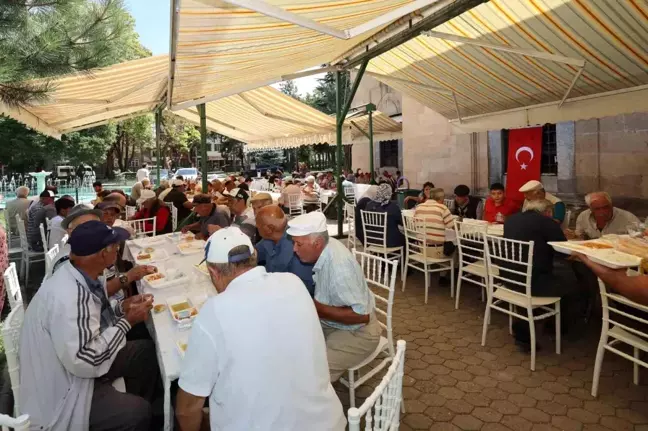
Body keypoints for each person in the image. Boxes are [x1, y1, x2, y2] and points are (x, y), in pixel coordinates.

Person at [177, 229, 345, 431]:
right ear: (254, 257)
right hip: (327, 423)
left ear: (213, 272)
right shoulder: (294, 283)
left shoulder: (214, 311)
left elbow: (187, 408)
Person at [20, 221, 159, 430]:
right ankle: (131, 414)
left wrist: (122, 308)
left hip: (73, 368)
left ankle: (126, 402)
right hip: (66, 391)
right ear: (104, 253)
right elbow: (87, 360)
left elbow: (90, 320)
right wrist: (127, 321)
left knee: (145, 353)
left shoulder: (77, 274)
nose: (118, 249)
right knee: (138, 412)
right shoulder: (69, 296)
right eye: (115, 246)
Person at [288, 212, 381, 381]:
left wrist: (317, 308)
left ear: (317, 243)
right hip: (336, 325)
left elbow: (362, 316)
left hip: (359, 333)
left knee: (313, 375)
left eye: (298, 244)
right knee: (294, 345)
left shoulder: (339, 267)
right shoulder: (328, 247)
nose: (294, 249)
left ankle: (319, 402)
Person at [503, 199, 580, 349]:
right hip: (533, 284)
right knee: (573, 285)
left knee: (546, 273)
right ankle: (556, 328)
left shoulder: (511, 220)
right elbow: (563, 251)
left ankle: (526, 325)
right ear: (548, 212)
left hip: (509, 278)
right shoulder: (547, 223)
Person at [255, 205, 315, 295]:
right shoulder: (269, 239)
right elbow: (253, 254)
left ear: (269, 229)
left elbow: (303, 290)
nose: (256, 226)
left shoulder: (298, 250)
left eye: (258, 225)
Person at [574, 191, 639, 239]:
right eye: (597, 209)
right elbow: (581, 237)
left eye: (606, 207)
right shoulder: (583, 216)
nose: (603, 212)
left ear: (611, 205)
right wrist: (574, 236)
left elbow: (641, 240)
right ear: (590, 209)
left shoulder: (629, 219)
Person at [413, 188, 455, 258]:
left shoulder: (418, 207)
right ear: (441, 198)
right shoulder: (443, 208)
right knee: (457, 245)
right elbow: (453, 227)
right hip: (437, 251)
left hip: (422, 249)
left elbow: (415, 223)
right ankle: (456, 268)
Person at [363, 183, 405, 248]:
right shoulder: (393, 207)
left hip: (372, 239)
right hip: (388, 241)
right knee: (406, 238)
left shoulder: (369, 205)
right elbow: (402, 222)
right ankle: (401, 257)